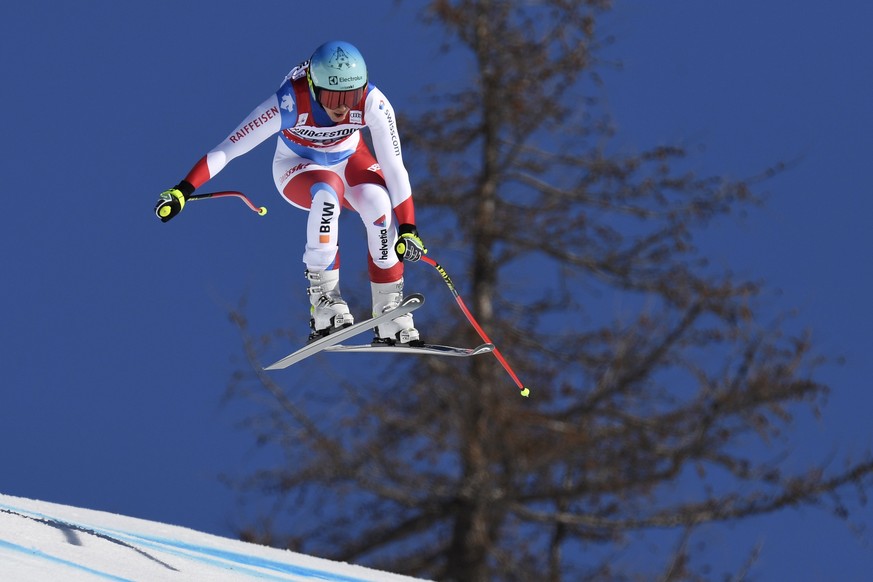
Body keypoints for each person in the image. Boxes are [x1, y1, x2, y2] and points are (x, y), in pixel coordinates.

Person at [155, 41, 427, 345]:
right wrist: (183, 189)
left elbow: (394, 168)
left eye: (351, 95)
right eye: (332, 96)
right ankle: (324, 302)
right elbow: (228, 149)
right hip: (298, 167)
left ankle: (389, 309)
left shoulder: (373, 102)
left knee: (379, 201)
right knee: (327, 194)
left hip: (350, 158)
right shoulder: (290, 102)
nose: (342, 106)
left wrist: (408, 228)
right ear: (312, 86)